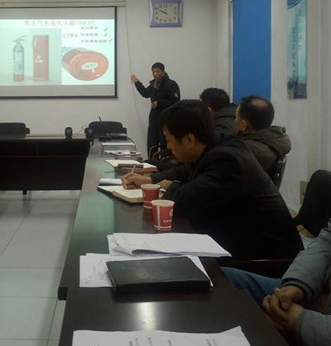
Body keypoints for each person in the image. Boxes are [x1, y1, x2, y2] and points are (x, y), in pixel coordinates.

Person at [122, 100, 302, 259]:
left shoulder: (227, 160)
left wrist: (171, 186)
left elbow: (182, 204)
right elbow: (183, 172)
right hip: (237, 240)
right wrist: (150, 179)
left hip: (267, 260)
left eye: (169, 140)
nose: (168, 147)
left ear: (189, 140)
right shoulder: (213, 146)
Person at [223, 218, 331, 346]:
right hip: (315, 295)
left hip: (321, 326)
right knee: (223, 279)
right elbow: (327, 241)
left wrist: (301, 321)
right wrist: (296, 286)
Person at [131, 62, 180, 156]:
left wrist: (159, 103)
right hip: (154, 118)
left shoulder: (171, 84)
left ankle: (165, 162)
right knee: (152, 144)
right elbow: (145, 93)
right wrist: (137, 82)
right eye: (153, 72)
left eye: (157, 72)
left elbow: (176, 101)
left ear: (163, 72)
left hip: (166, 119)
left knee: (165, 144)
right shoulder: (154, 84)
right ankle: (151, 162)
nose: (155, 74)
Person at [235, 95, 291, 172]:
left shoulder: (246, 150)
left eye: (236, 117)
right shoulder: (276, 139)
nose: (234, 120)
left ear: (243, 124)